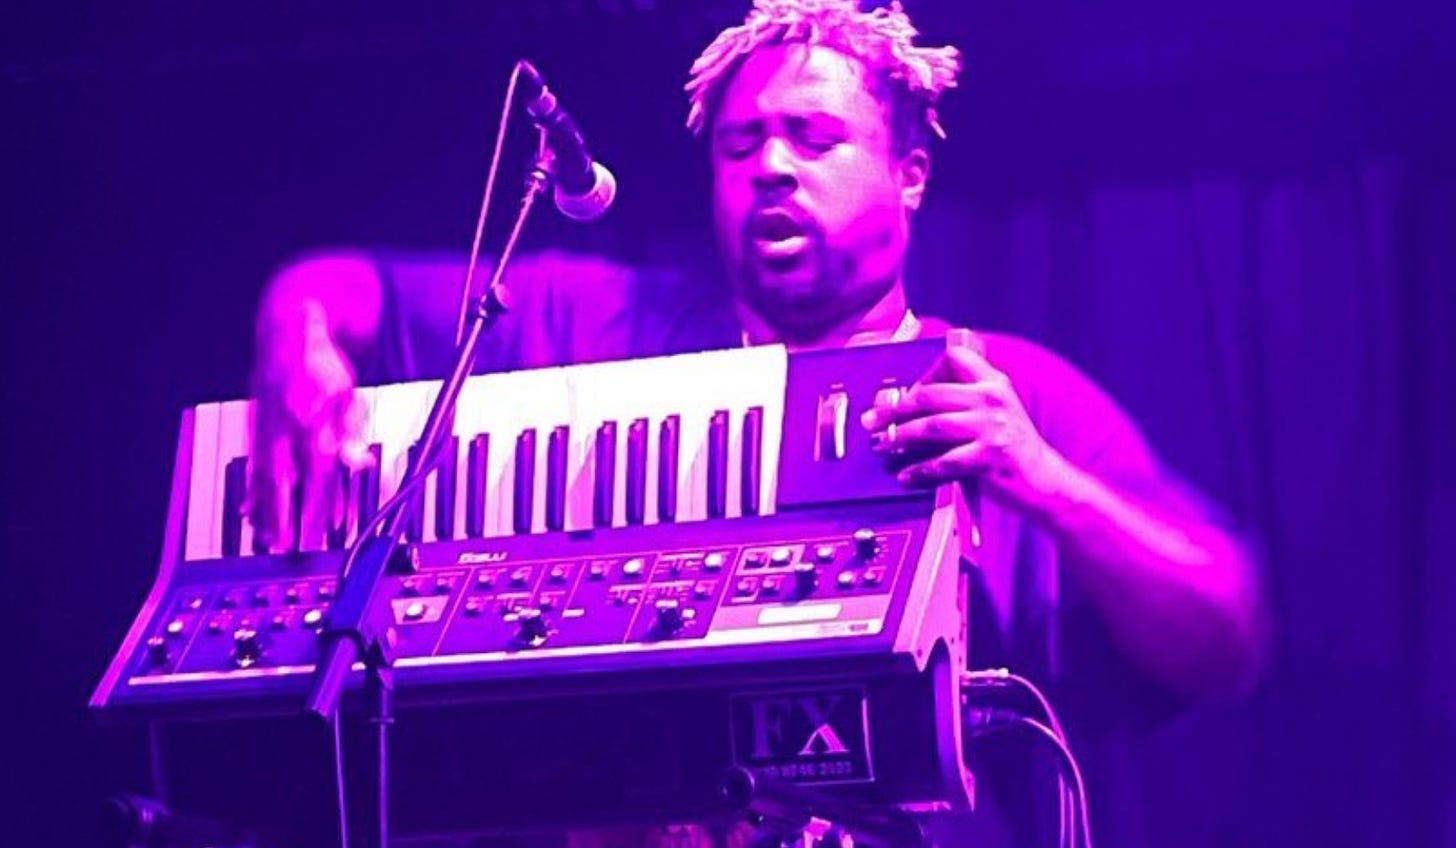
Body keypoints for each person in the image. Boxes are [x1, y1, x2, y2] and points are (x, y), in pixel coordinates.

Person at [247, 1, 1268, 845]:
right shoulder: (609, 327)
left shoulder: (1002, 391)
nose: (772, 166)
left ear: (909, 173)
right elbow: (332, 288)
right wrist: (299, 352)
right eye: (741, 144)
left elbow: (1226, 635)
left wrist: (1045, 482)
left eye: (815, 138)